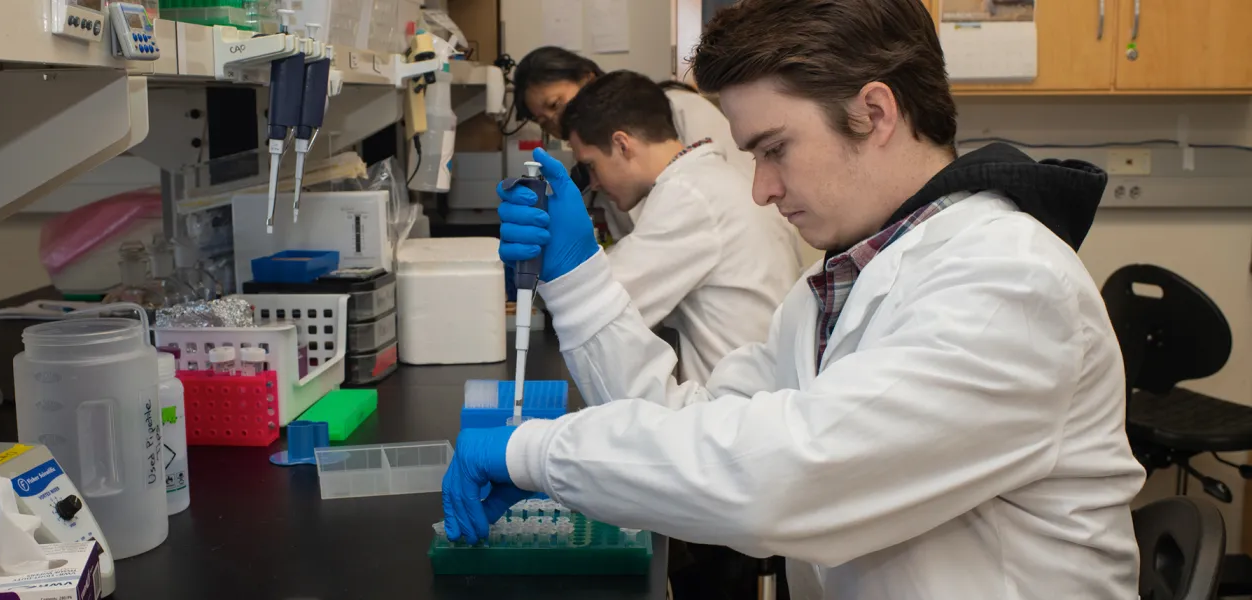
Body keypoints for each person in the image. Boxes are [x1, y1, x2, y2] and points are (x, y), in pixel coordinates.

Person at [442, 0, 1146, 598]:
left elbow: (786, 477)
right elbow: (681, 422)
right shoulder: (839, 283)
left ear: (874, 112)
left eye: (774, 149)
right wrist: (577, 276)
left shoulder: (1010, 281)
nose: (761, 189)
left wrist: (533, 453)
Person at [507, 71, 799, 384]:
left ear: (622, 145)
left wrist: (554, 262)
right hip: (755, 392)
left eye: (591, 165)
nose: (593, 182)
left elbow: (605, 302)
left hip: (739, 411)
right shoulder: (710, 178)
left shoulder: (690, 195)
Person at [513, 46, 755, 179]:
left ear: (588, 79)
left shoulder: (681, 110)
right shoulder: (591, 165)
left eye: (556, 104)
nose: (557, 121)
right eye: (543, 121)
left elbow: (743, 189)